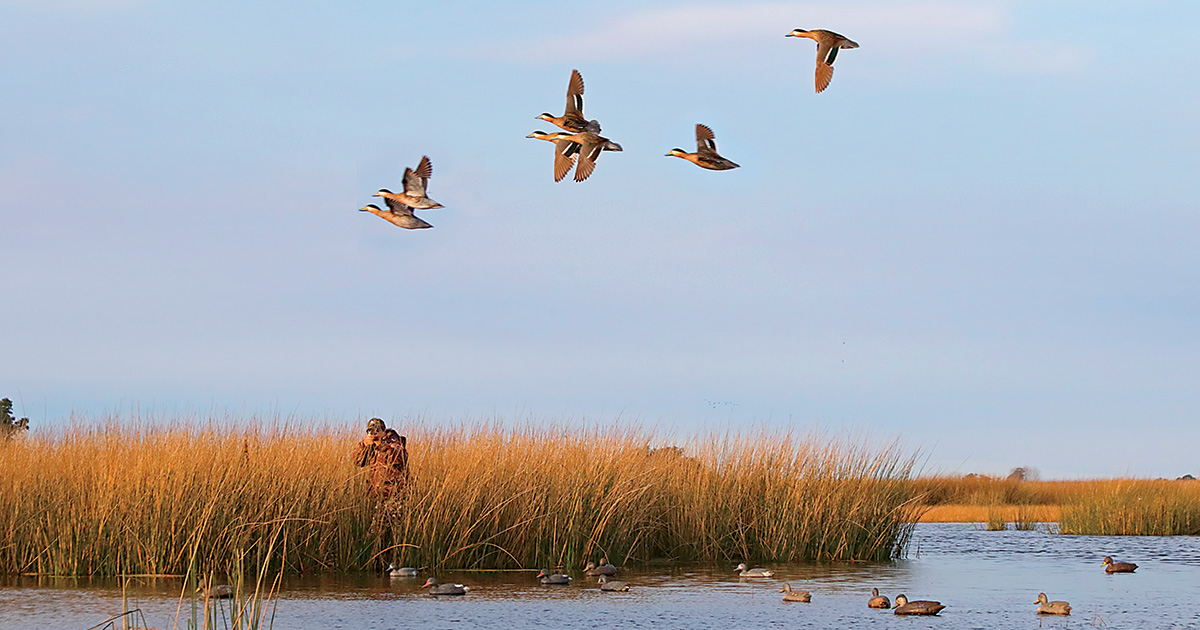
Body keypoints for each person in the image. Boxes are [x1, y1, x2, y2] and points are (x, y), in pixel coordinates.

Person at [354, 418, 409, 499]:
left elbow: (399, 459)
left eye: (377, 430)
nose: (374, 433)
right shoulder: (372, 445)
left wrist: (381, 445)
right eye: (370, 430)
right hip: (375, 493)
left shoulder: (395, 442)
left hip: (393, 493)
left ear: (383, 430)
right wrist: (364, 446)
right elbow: (358, 462)